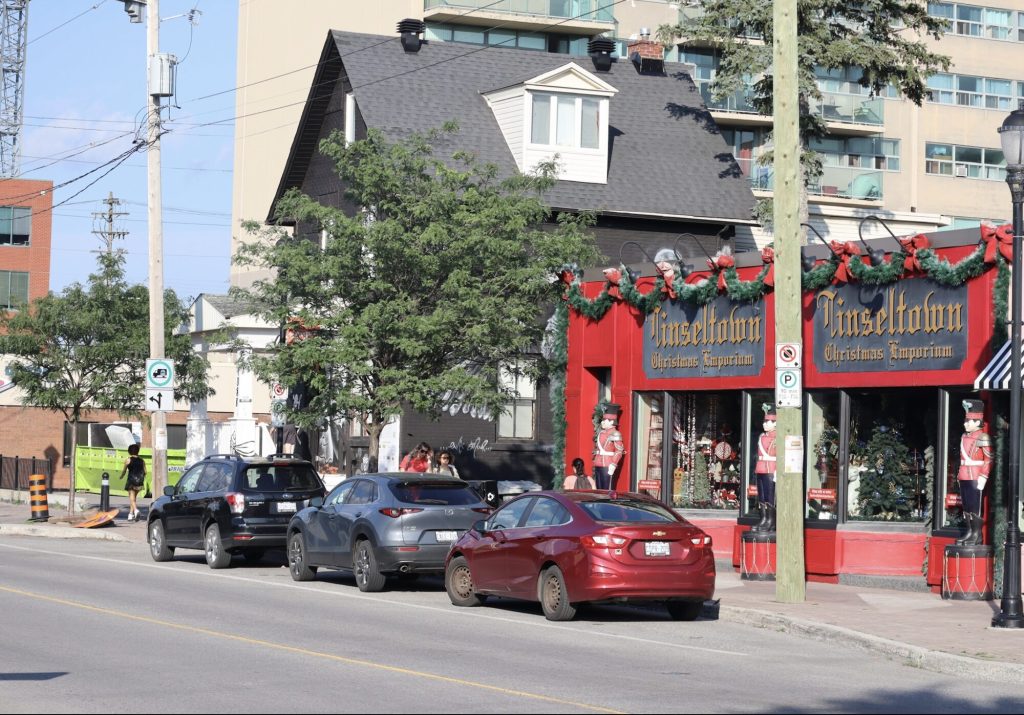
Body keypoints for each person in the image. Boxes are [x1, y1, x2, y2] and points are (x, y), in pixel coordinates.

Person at [957, 399, 992, 546]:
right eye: (966, 420)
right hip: (964, 474)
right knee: (966, 507)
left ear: (977, 422)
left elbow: (988, 459)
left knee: (975, 507)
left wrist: (984, 476)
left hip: (975, 476)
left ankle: (977, 535)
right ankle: (970, 532)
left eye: (969, 421)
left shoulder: (983, 437)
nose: (965, 424)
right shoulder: (964, 437)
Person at [752, 404, 777, 533]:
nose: (765, 424)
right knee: (761, 496)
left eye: (768, 422)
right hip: (761, 468)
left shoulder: (777, 438)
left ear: (775, 423)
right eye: (765, 421)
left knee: (770, 496)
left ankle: (771, 521)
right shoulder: (761, 436)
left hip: (771, 469)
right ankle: (764, 518)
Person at [593, 405, 625, 490]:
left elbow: (619, 450)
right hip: (598, 463)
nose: (602, 422)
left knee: (607, 490)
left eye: (604, 420)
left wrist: (613, 464)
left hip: (608, 464)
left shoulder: (615, 433)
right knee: (599, 490)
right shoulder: (602, 433)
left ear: (611, 422)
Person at [119, 442, 146, 523]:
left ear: (129, 451)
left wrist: (121, 476)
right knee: (133, 498)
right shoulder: (142, 460)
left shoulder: (128, 460)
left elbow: (124, 470)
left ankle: (136, 510)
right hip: (140, 481)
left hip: (131, 480)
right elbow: (145, 471)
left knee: (132, 497)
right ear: (138, 451)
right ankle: (130, 514)